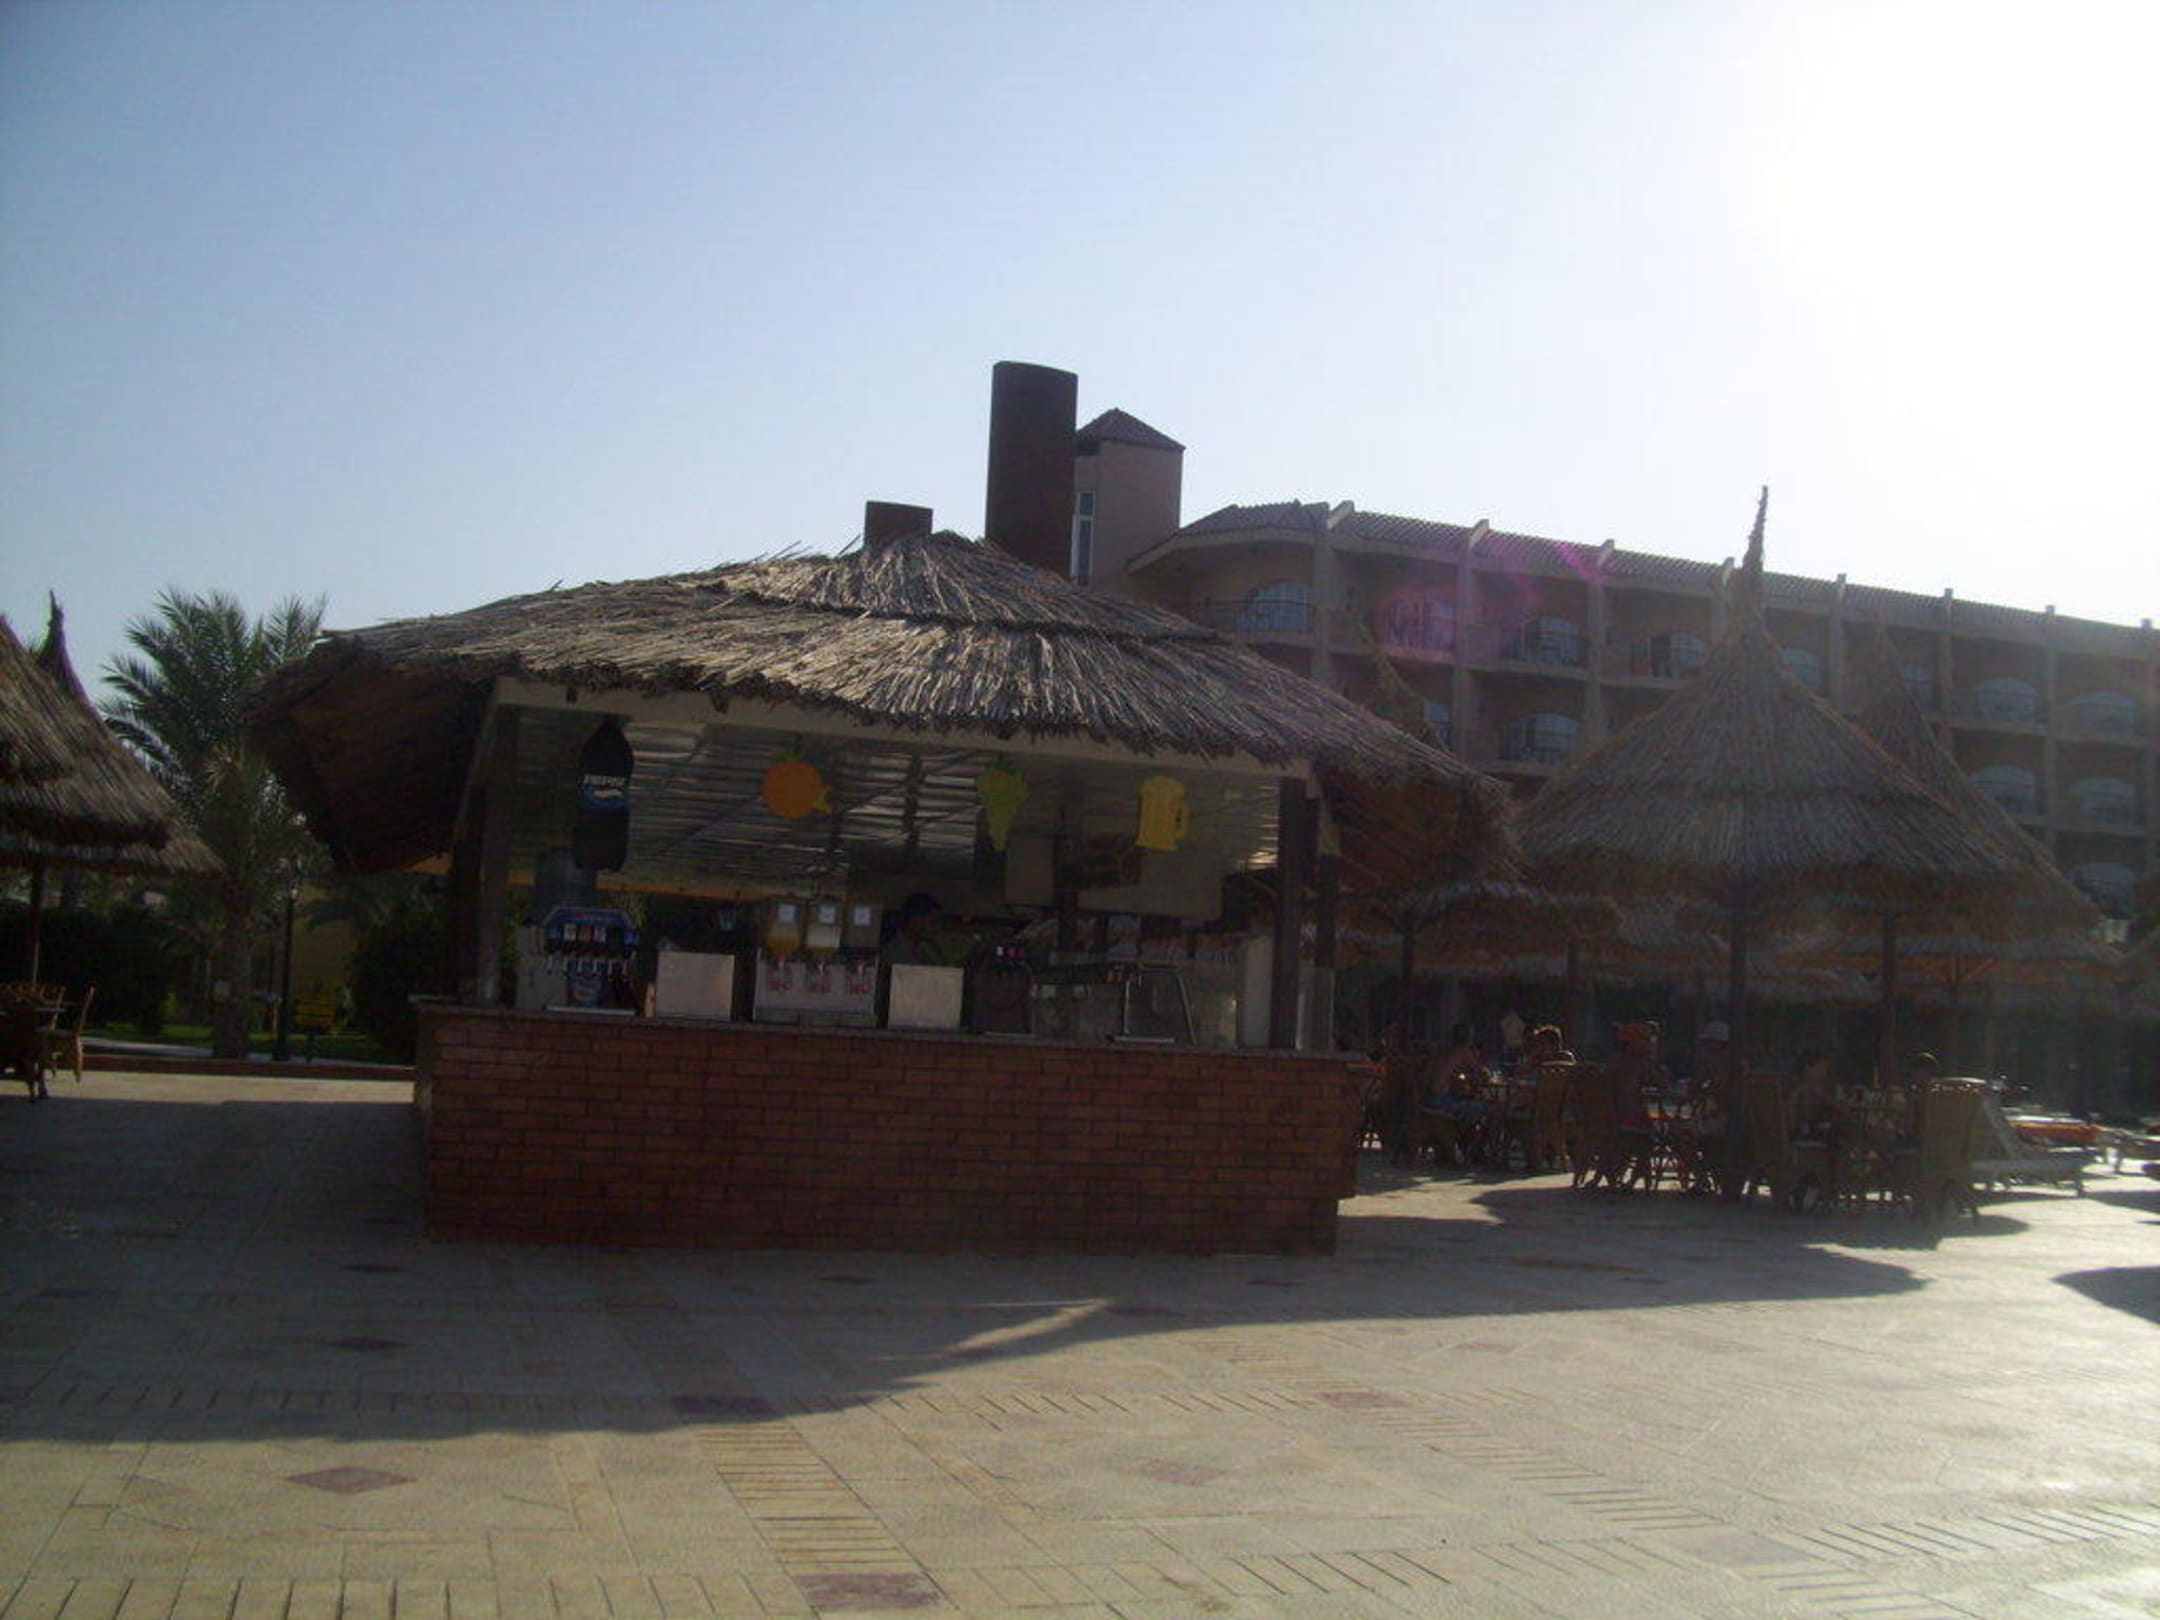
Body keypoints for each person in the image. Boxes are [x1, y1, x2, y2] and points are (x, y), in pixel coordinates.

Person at [882, 892, 947, 966]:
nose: (938, 928)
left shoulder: (931, 949)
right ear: (915, 920)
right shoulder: (892, 952)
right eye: (933, 922)